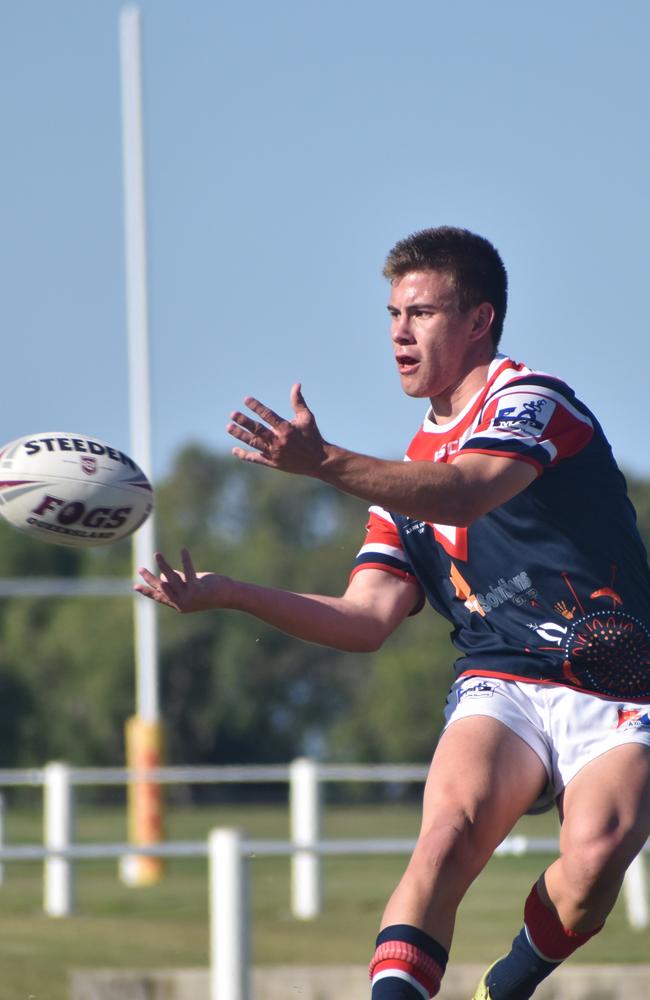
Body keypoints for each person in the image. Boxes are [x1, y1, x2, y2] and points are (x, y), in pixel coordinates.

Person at [134, 226, 650, 1000]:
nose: (398, 333)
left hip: (610, 676)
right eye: (391, 313)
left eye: (422, 312)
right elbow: (365, 618)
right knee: (443, 843)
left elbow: (469, 487)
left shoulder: (533, 402)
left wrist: (327, 464)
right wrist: (231, 592)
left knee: (594, 860)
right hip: (500, 682)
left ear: (479, 321)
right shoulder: (400, 488)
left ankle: (503, 989)